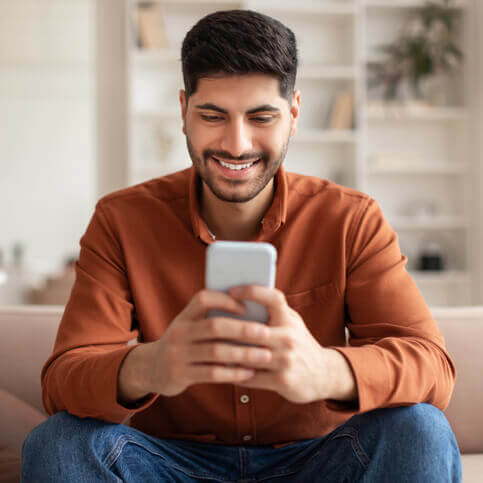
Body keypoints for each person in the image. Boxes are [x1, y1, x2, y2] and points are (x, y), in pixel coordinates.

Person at [21, 9, 462, 483]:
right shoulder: (121, 220)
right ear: (184, 110)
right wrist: (150, 366)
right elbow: (63, 380)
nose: (237, 144)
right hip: (169, 464)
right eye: (213, 115)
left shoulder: (351, 219)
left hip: (318, 461)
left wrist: (327, 370)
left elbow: (430, 364)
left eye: (261, 116)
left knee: (421, 429)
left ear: (293, 114)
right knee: (57, 443)